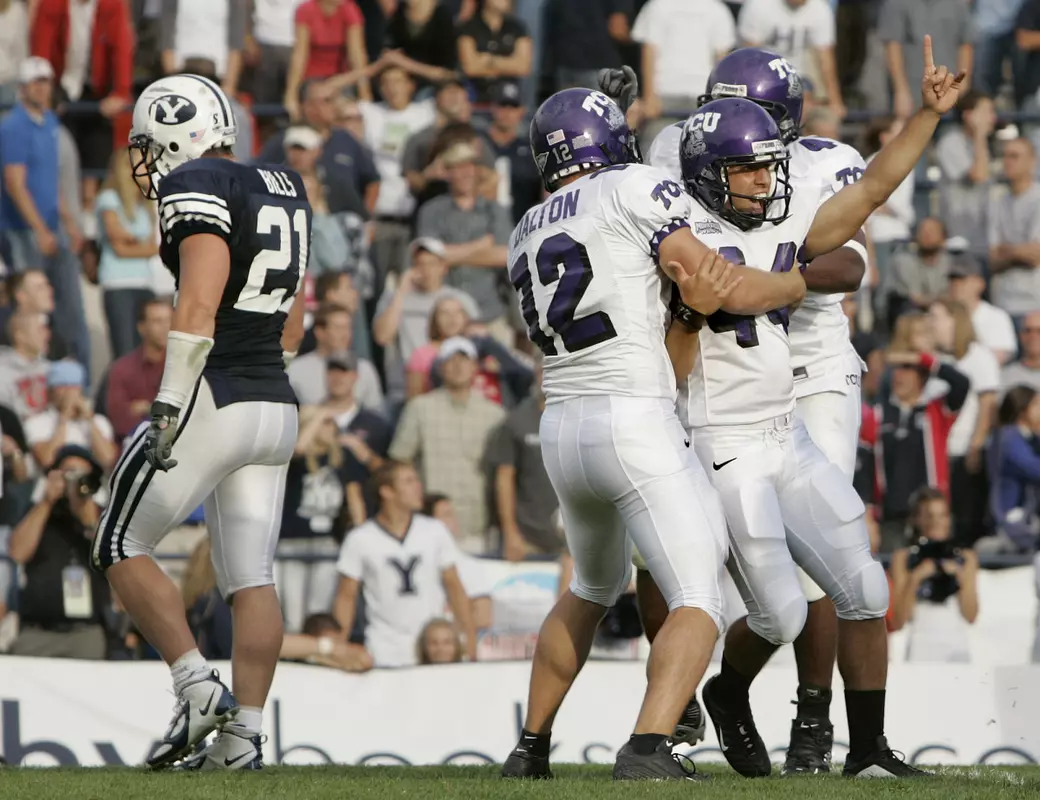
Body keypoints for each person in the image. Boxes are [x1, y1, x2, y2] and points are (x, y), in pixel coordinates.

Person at [667, 40, 962, 779]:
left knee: (863, 585)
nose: (769, 178)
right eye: (752, 167)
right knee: (780, 612)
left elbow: (866, 200)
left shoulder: (772, 223)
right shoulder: (674, 239)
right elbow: (725, 301)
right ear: (710, 170)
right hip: (721, 436)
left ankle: (865, 749)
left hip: (784, 429)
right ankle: (725, 694)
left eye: (770, 164)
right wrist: (755, 288)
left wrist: (925, 120)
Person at [499, 86, 795, 782]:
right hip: (630, 414)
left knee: (591, 588)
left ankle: (530, 747)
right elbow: (703, 282)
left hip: (563, 426)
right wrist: (786, 285)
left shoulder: (526, 224)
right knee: (699, 596)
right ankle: (648, 745)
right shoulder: (633, 185)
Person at [634, 46, 870, 773]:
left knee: (817, 558)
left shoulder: (823, 164)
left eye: (765, 121)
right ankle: (681, 704)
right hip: (708, 380)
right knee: (666, 546)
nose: (746, 134)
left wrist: (768, 280)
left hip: (809, 366)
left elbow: (853, 263)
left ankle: (812, 713)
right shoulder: (677, 152)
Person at [89, 74, 310, 772]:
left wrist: (169, 402)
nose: (147, 162)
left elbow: (197, 307)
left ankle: (195, 684)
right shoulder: (280, 184)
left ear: (177, 131)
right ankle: (243, 737)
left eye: (151, 145)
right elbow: (293, 318)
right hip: (275, 402)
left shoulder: (201, 186)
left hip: (213, 392)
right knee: (251, 576)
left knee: (117, 537)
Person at [332, 460, 476, 668]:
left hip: (433, 648)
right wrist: (340, 646)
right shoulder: (360, 539)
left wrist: (469, 639)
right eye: (409, 481)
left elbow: (455, 587)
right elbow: (346, 597)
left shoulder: (434, 531)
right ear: (387, 491)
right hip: (385, 648)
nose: (418, 487)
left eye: (417, 480)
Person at [889, 489, 979, 662]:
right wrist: (915, 578)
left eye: (942, 515)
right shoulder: (903, 558)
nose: (936, 522)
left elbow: (971, 615)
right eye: (929, 516)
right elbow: (899, 620)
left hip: (957, 647)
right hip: (919, 646)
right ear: (916, 520)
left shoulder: (966, 558)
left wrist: (960, 577)